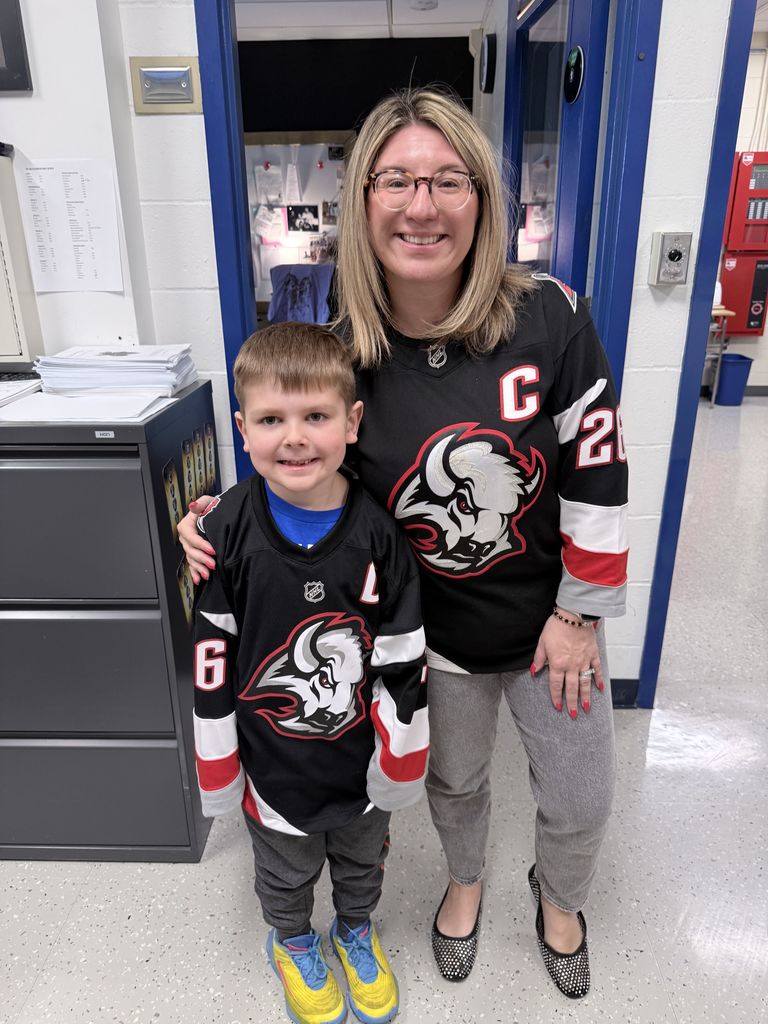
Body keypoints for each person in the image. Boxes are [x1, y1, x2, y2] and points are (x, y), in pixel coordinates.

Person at [182, 88, 628, 1001]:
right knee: (455, 785)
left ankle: (562, 897)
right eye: (397, 181)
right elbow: (303, 460)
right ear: (364, 202)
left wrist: (579, 612)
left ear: (482, 199)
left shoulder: (553, 315)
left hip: (553, 619)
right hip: (430, 634)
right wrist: (218, 522)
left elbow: (598, 463)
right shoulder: (344, 347)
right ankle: (464, 884)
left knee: (579, 792)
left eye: (448, 180)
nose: (422, 206)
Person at [192, 322, 429, 1024]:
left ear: (352, 422)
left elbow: (403, 653)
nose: (294, 437)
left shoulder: (378, 535)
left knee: (361, 863)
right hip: (274, 765)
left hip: (358, 762)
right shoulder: (228, 530)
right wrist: (218, 764)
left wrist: (401, 758)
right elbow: (210, 656)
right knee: (285, 872)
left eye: (316, 417)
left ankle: (355, 930)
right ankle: (293, 941)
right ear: (243, 428)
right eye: (271, 419)